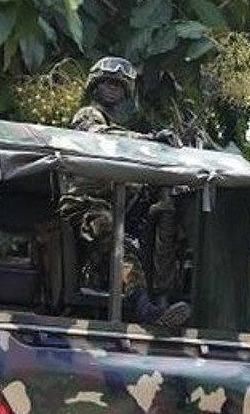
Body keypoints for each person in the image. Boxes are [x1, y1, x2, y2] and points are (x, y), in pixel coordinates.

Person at [57, 55, 189, 326]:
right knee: (113, 234)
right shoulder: (89, 116)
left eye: (118, 84)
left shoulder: (120, 131)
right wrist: (149, 140)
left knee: (154, 228)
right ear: (95, 85)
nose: (113, 88)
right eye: (107, 82)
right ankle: (145, 309)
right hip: (85, 205)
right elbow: (100, 137)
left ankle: (160, 298)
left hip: (115, 208)